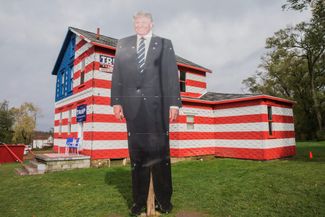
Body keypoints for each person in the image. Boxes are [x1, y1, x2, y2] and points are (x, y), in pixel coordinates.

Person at [110, 11, 182, 216]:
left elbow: (170, 74)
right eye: (137, 22)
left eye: (144, 22)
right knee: (137, 157)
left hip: (158, 108)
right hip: (133, 108)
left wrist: (174, 104)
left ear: (152, 24)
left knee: (160, 155)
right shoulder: (123, 44)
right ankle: (138, 202)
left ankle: (163, 200)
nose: (140, 25)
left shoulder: (164, 43)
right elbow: (118, 75)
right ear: (134, 25)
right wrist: (116, 102)